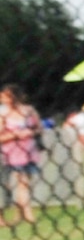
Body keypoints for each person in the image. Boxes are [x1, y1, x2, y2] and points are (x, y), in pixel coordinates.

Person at [0, 86, 43, 226]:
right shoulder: (2, 113)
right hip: (9, 153)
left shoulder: (29, 110)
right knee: (10, 184)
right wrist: (14, 135)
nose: (3, 99)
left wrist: (31, 133)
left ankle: (22, 213)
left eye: (6, 96)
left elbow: (39, 128)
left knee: (24, 183)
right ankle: (23, 212)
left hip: (28, 151)